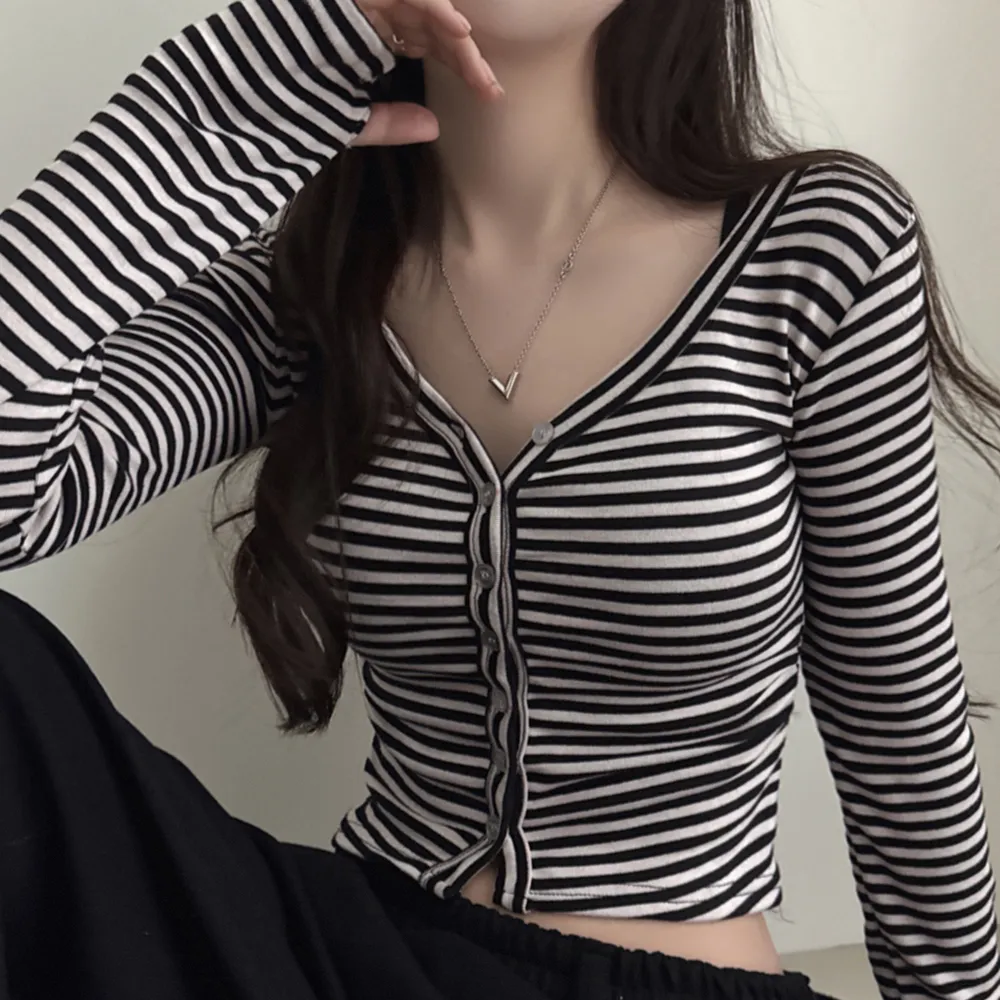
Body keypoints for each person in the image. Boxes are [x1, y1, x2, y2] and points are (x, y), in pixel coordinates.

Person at [1, 0, 999, 998]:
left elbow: (898, 728)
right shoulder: (307, 292)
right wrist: (196, 129)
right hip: (357, 948)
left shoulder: (814, 249)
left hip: (667, 972)